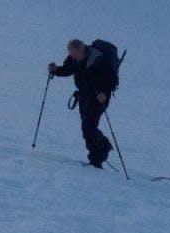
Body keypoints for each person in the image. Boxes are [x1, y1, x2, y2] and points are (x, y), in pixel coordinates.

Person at [48, 38, 118, 169]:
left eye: (74, 55)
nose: (73, 57)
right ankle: (96, 157)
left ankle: (100, 153)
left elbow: (112, 79)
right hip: (84, 96)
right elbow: (67, 69)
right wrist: (55, 70)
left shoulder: (98, 59)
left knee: (89, 127)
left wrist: (104, 92)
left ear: (82, 50)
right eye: (71, 54)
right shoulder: (74, 58)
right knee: (86, 128)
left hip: (99, 97)